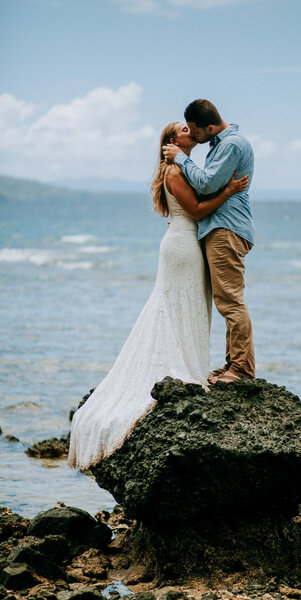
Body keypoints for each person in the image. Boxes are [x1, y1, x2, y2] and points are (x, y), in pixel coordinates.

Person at [67, 121, 249, 470]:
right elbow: (196, 211)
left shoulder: (181, 167)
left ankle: (189, 361)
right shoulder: (175, 170)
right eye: (183, 129)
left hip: (184, 243)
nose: (190, 132)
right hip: (183, 248)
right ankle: (182, 365)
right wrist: (229, 191)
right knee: (177, 306)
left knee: (186, 306)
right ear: (171, 141)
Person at [162, 99, 255, 384]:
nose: (195, 136)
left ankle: (240, 370)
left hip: (226, 229)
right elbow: (202, 192)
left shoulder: (231, 145)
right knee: (226, 299)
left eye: (196, 131)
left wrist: (180, 158)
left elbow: (205, 184)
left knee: (230, 301)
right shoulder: (218, 145)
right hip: (217, 228)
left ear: (210, 127)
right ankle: (233, 365)